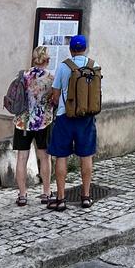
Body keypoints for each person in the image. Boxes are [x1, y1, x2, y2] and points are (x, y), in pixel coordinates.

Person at [47, 34, 97, 211]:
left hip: (65, 116)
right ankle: (86, 196)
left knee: (61, 156)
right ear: (85, 48)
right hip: (87, 117)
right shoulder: (94, 66)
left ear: (71, 49)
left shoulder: (63, 67)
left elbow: (55, 93)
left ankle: (60, 198)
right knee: (86, 156)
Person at [12, 46, 54, 207]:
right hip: (43, 121)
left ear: (33, 59)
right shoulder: (50, 78)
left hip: (22, 122)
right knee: (44, 156)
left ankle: (22, 195)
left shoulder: (24, 76)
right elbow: (54, 99)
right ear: (47, 60)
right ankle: (46, 192)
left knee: (22, 158)